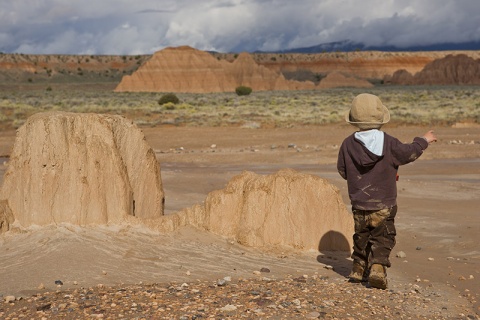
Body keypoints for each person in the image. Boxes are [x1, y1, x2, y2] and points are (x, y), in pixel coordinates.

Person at [337, 93, 437, 289]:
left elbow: (342, 170)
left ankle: (358, 267)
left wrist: (358, 179)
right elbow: (409, 153)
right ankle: (377, 268)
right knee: (383, 236)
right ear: (380, 118)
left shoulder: (347, 144)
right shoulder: (389, 142)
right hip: (384, 203)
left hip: (359, 203)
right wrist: (423, 140)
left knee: (361, 235)